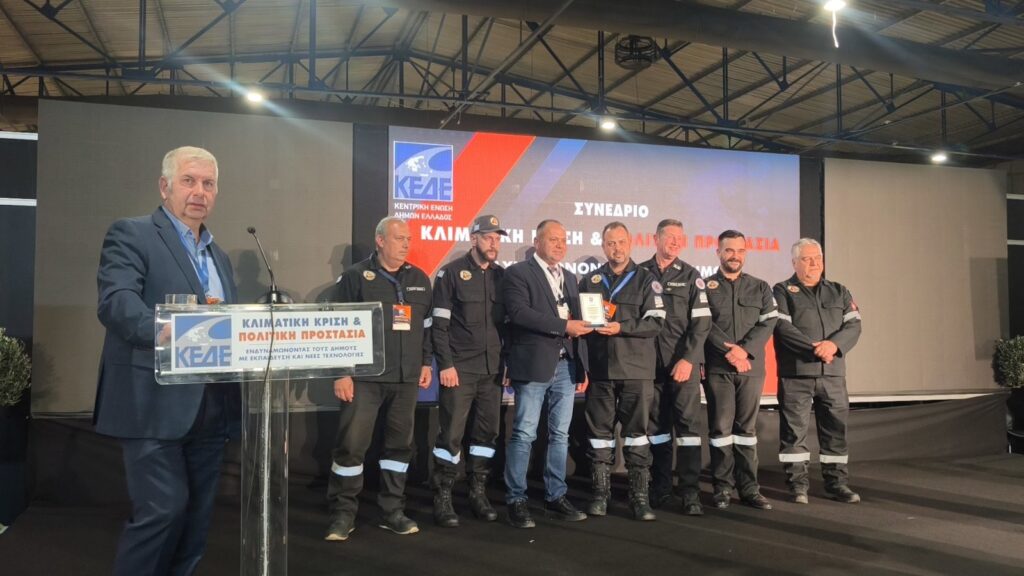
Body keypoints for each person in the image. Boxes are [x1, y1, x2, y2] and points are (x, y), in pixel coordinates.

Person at [95, 146, 238, 576]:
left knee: (195, 522)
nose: (199, 192)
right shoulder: (133, 233)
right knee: (164, 510)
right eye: (188, 181)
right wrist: (164, 329)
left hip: (210, 406)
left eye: (208, 183)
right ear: (165, 186)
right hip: (152, 403)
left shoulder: (219, 256)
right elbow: (117, 302)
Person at [324, 217, 433, 541]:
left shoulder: (420, 279)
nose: (406, 244)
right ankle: (342, 514)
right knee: (351, 448)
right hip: (364, 379)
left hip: (405, 379)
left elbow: (426, 327)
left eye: (408, 238)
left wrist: (425, 362)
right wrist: (342, 372)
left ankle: (392, 511)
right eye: (399, 238)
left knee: (399, 448)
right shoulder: (356, 276)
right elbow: (337, 326)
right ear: (380, 240)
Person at [501, 219, 591, 528]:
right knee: (524, 433)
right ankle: (516, 499)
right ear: (537, 242)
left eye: (563, 240)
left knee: (560, 435)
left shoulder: (570, 277)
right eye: (553, 239)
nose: (560, 245)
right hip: (533, 364)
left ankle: (556, 495)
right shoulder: (518, 273)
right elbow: (519, 313)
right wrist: (564, 326)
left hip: (566, 366)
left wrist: (582, 366)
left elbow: (577, 320)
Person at [579, 222, 666, 521]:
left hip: (636, 371)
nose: (616, 248)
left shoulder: (646, 279)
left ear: (630, 243)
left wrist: (621, 327)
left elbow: (656, 322)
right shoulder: (590, 280)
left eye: (621, 242)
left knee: (637, 436)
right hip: (601, 371)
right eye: (611, 243)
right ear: (603, 246)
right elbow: (580, 324)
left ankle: (639, 498)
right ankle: (600, 495)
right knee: (599, 437)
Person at [429, 215, 508, 527]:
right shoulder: (450, 273)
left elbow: (508, 327)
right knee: (450, 435)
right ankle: (443, 495)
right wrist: (446, 364)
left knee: (486, 435)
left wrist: (508, 365)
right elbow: (439, 326)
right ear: (474, 239)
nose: (493, 243)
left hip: (492, 371)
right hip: (459, 370)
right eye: (488, 237)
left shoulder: (502, 277)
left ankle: (478, 492)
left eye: (497, 238)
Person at [772, 238, 862, 504]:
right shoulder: (782, 291)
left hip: (832, 374)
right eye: (807, 259)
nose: (814, 263)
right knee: (794, 433)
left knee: (835, 431)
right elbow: (782, 327)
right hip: (796, 374)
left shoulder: (839, 291)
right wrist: (816, 349)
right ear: (794, 263)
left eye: (818, 258)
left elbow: (854, 326)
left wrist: (833, 346)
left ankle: (837, 484)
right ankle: (797, 486)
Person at [638, 219, 711, 516]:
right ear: (655, 239)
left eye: (680, 238)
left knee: (688, 430)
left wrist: (688, 359)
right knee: (656, 429)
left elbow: (702, 323)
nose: (676, 242)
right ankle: (661, 486)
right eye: (670, 237)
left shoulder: (692, 276)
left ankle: (690, 492)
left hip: (683, 366)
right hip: (649, 367)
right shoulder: (639, 273)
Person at [702, 230, 777, 511]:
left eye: (740, 251)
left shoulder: (761, 287)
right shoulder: (704, 287)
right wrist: (730, 352)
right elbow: (704, 324)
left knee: (746, 430)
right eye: (729, 250)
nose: (735, 256)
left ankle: (749, 489)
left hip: (750, 368)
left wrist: (744, 350)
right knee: (720, 429)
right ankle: (722, 488)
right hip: (718, 368)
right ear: (718, 252)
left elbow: (768, 323)